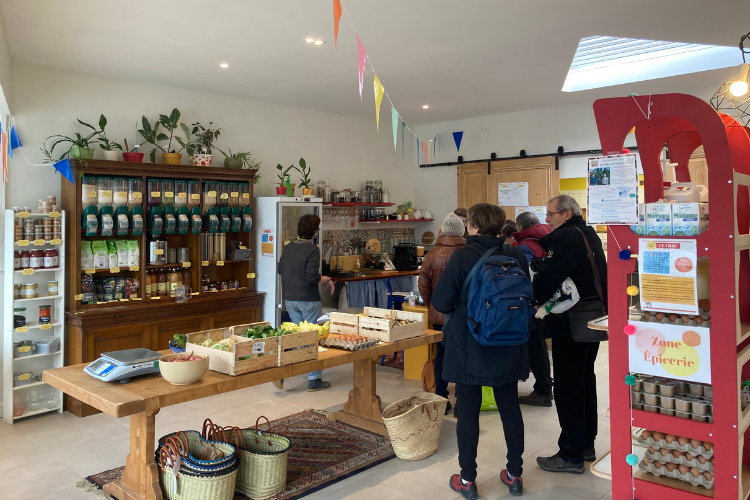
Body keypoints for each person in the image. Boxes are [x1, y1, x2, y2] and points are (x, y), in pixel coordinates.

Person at [432, 203, 529, 498]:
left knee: (469, 410)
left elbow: (442, 301)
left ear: (472, 226)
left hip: (470, 343)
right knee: (510, 406)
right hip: (509, 339)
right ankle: (514, 475)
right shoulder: (514, 254)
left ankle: (468, 480)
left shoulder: (463, 255)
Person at [532, 195, 607, 474]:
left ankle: (571, 454)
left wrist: (535, 297)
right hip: (594, 316)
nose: (547, 219)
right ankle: (586, 442)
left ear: (565, 214)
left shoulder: (565, 237)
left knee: (567, 385)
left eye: (550, 214)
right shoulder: (587, 233)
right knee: (585, 378)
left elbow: (551, 275)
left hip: (571, 322)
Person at [277, 214, 335, 392]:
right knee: (311, 339)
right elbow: (311, 277)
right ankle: (314, 379)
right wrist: (327, 279)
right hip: (308, 300)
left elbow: (280, 269)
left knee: (297, 337)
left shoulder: (289, 247)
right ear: (315, 231)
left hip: (290, 299)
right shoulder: (312, 249)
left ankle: (284, 372)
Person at [418, 212, 466, 415]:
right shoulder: (469, 253)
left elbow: (423, 285)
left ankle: (441, 398)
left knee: (441, 356)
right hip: (464, 315)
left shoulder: (431, 255)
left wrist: (433, 306)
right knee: (464, 356)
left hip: (439, 315)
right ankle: (463, 401)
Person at [513, 212, 554, 408]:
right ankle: (546, 386)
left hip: (533, 303)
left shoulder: (524, 246)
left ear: (520, 227)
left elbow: (523, 277)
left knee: (535, 346)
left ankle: (543, 390)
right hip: (552, 301)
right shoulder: (550, 238)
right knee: (540, 345)